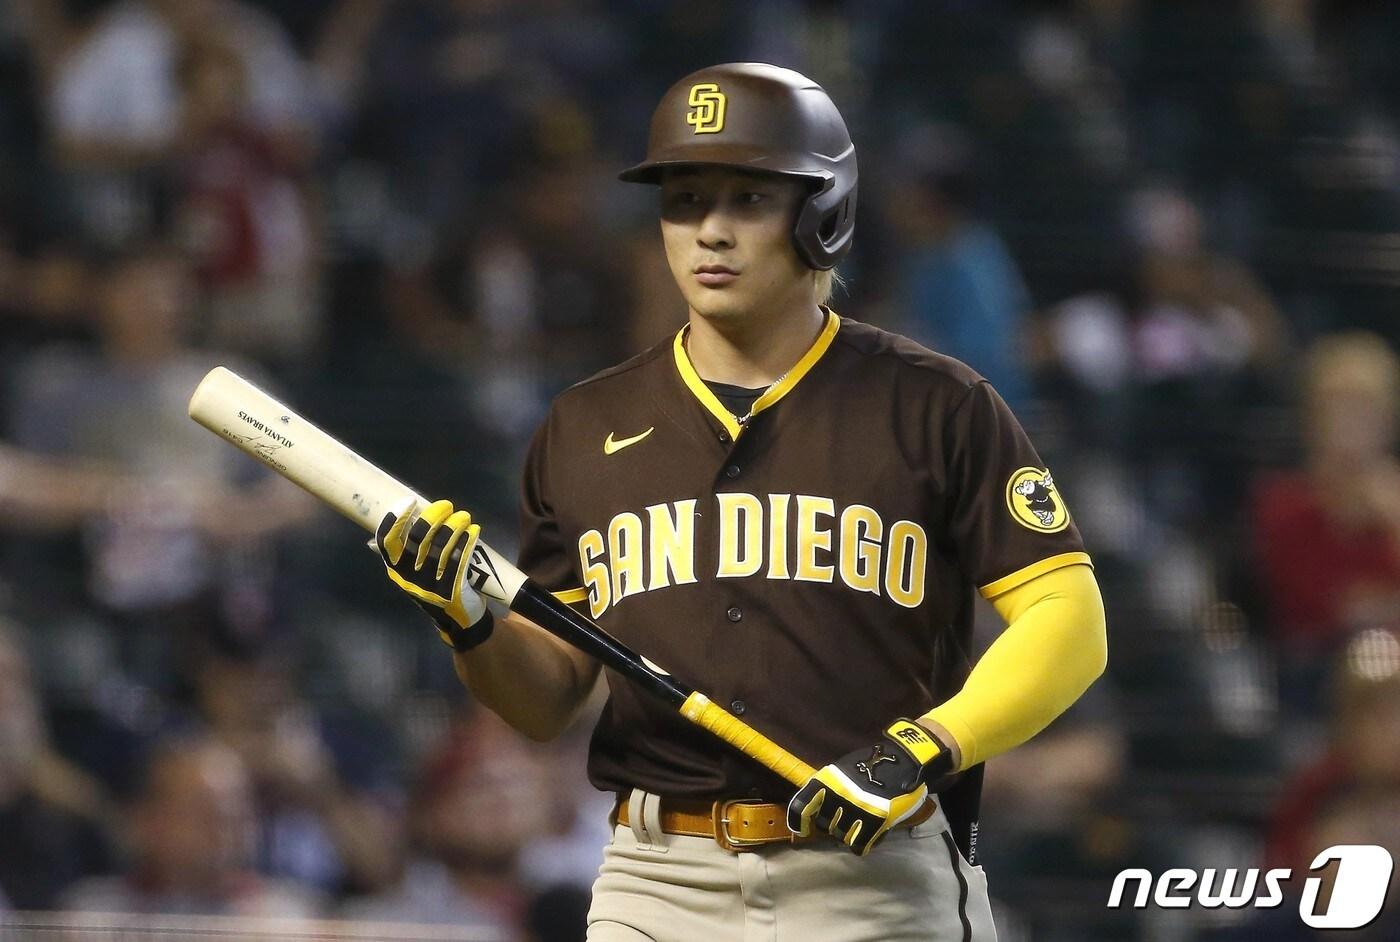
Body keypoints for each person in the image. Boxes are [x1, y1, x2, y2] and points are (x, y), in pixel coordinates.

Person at [373, 62, 1107, 941]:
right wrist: (469, 621)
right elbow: (549, 702)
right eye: (683, 200)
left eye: (747, 200)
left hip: (874, 881)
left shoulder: (935, 406)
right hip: (656, 880)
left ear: (824, 213)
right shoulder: (583, 424)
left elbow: (1070, 618)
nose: (708, 232)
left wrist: (922, 747)